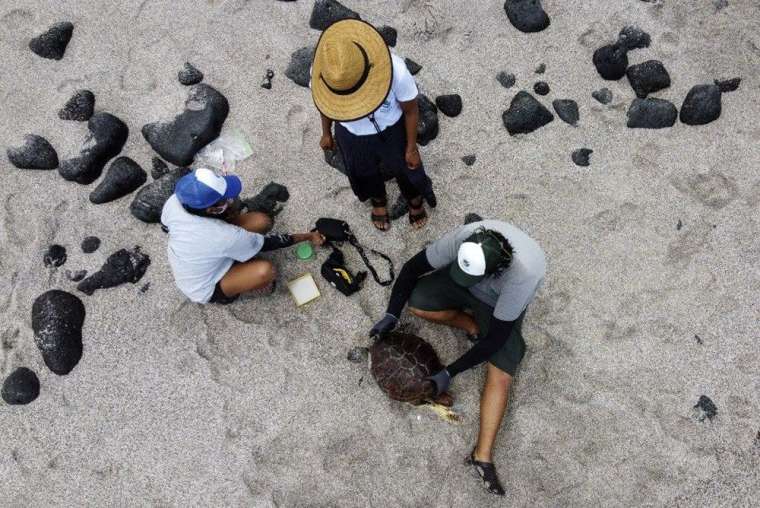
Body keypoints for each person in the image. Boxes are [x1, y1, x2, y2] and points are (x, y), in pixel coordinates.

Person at [369, 220, 546, 496]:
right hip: (462, 282)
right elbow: (411, 269)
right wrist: (391, 314)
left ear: (495, 270)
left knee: (500, 374)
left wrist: (450, 372)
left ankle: (482, 455)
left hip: (496, 304)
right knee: (417, 302)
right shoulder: (466, 237)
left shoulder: (524, 276)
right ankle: (471, 325)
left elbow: (495, 341)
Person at [310, 19, 435, 231]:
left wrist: (411, 147)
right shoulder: (325, 72)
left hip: (392, 128)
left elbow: (411, 110)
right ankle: (378, 199)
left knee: (406, 169)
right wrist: (326, 132)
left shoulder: (395, 69)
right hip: (350, 132)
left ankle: (414, 199)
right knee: (361, 170)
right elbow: (325, 106)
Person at [160, 168, 324, 304]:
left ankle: (234, 256)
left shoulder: (175, 202)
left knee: (262, 221)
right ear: (210, 210)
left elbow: (166, 227)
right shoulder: (222, 236)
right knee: (265, 271)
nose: (231, 201)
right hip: (204, 286)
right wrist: (309, 236)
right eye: (225, 199)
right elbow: (270, 243)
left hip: (206, 252)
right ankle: (238, 288)